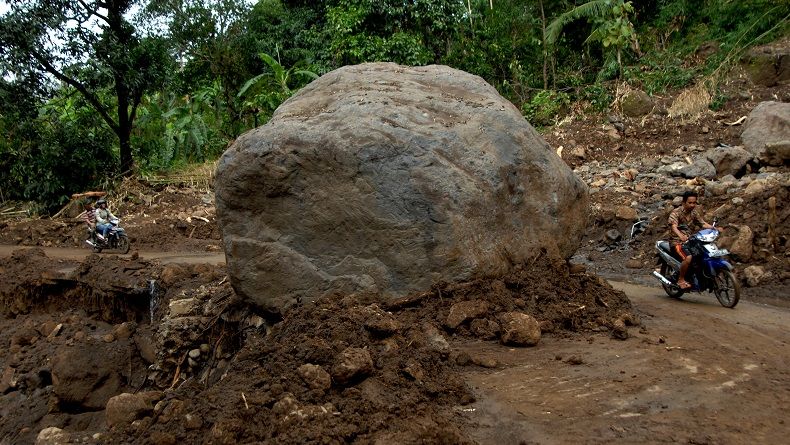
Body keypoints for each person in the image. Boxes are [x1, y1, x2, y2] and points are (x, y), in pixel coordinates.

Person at [668, 190, 720, 289]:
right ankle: (681, 279)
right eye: (690, 203)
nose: (692, 205)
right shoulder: (676, 212)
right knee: (688, 257)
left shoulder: (694, 213)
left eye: (694, 203)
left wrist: (714, 228)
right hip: (677, 242)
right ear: (684, 202)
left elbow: (703, 223)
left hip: (690, 241)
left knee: (703, 253)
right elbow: (674, 226)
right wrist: (680, 236)